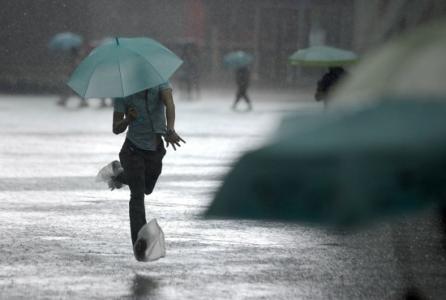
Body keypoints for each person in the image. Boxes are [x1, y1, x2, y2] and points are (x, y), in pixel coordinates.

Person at [97, 82, 185, 261]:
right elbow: (116, 128)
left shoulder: (160, 83)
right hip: (132, 150)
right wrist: (128, 119)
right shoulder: (123, 91)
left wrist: (170, 129)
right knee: (137, 195)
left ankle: (118, 173)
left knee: (147, 188)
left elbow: (169, 102)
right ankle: (140, 243)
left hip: (155, 149)